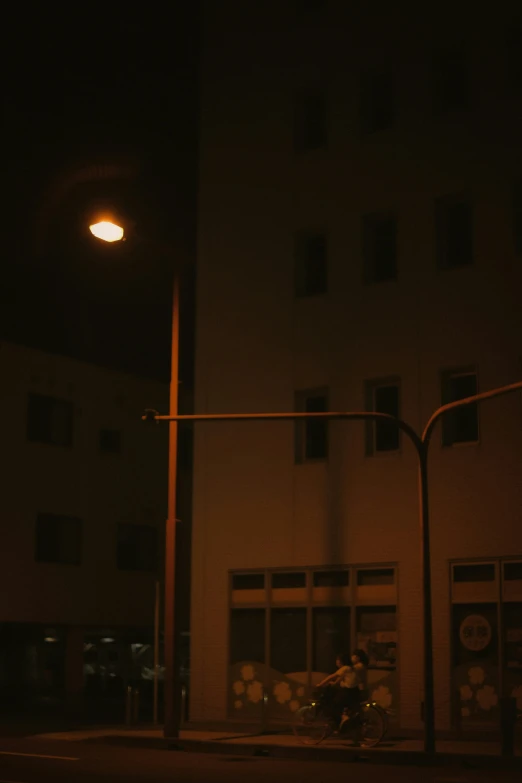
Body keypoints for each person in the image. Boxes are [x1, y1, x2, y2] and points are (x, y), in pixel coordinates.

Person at [316, 649, 369, 725]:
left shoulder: (353, 667)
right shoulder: (360, 667)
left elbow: (332, 676)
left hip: (350, 691)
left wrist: (320, 684)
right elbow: (344, 676)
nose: (352, 658)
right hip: (357, 690)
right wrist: (336, 682)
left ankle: (343, 718)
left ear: (357, 657)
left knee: (335, 704)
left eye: (353, 656)